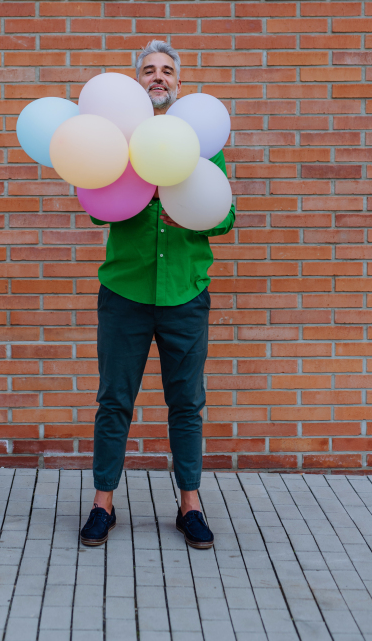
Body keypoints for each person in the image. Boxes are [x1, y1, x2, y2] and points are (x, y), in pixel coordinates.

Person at [79, 40, 235, 550]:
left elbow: (226, 215)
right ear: (137, 84)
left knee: (186, 403)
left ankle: (190, 505)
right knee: (114, 401)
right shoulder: (117, 142)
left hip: (185, 295)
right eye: (149, 71)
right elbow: (98, 208)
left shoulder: (205, 143)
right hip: (124, 291)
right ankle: (103, 504)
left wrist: (193, 212)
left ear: (179, 85)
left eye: (167, 70)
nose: (158, 77)